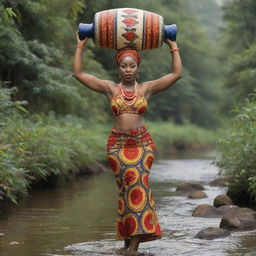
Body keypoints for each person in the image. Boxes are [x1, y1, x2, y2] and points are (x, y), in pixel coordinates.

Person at [73, 32, 182, 256]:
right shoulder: (110, 89)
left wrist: (173, 45)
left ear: (138, 68)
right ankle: (126, 242)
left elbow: (177, 73)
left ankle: (133, 248)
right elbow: (78, 73)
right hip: (117, 146)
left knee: (138, 188)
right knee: (126, 191)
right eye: (124, 66)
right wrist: (80, 46)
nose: (128, 70)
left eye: (132, 66)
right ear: (118, 68)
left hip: (142, 145)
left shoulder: (147, 89)